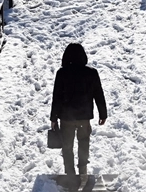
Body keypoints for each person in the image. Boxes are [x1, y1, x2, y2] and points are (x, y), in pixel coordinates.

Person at [50, 43, 107, 190]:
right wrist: (103, 113)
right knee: (84, 143)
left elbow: (57, 97)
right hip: (84, 117)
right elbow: (98, 94)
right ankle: (83, 172)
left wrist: (53, 118)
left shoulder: (62, 73)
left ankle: (70, 175)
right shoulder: (91, 73)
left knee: (67, 146)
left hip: (66, 118)